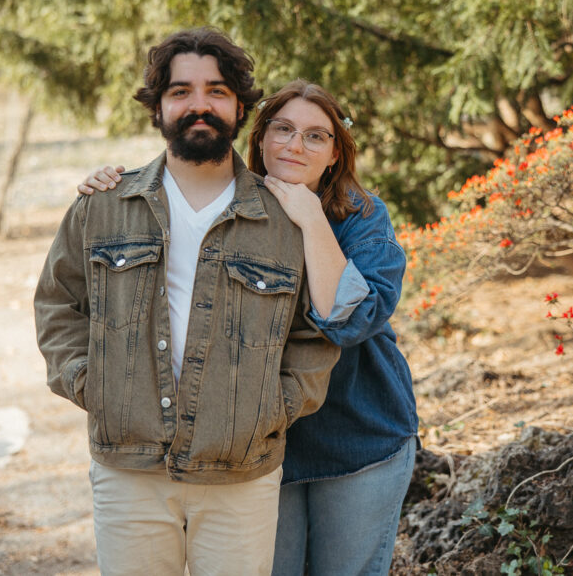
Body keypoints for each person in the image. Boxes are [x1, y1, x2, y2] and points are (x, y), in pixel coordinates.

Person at [79, 79, 419, 576]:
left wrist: (310, 218)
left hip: (359, 438)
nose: (294, 145)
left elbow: (351, 320)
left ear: (335, 153)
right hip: (252, 450)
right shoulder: (229, 204)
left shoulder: (362, 218)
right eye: (282, 129)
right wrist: (108, 185)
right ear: (258, 139)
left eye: (315, 136)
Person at [35, 28, 339, 576]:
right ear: (157, 108)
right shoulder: (104, 206)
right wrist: (90, 384)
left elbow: (316, 332)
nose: (199, 104)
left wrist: (273, 409)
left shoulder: (287, 220)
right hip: (127, 470)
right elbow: (58, 306)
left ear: (241, 106)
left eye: (216, 91)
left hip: (241, 474)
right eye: (181, 91)